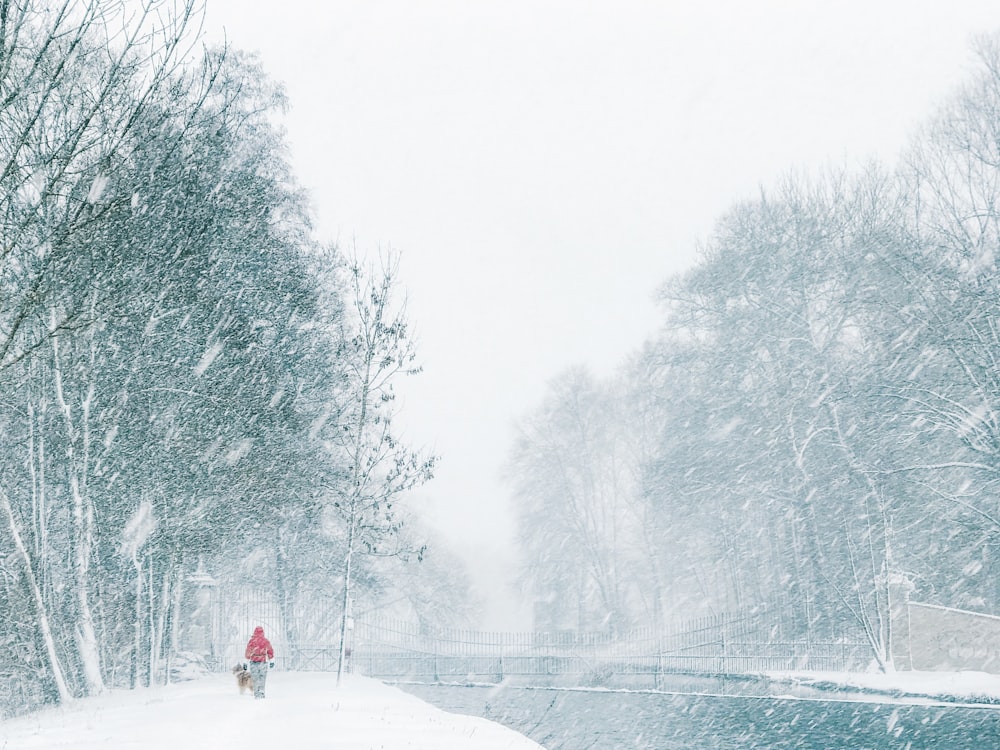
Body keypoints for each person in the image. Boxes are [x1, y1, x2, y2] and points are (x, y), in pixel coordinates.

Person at [244, 625, 274, 699]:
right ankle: (261, 691)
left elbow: (248, 651)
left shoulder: (252, 641)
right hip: (263, 662)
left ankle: (256, 692)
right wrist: (271, 660)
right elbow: (270, 651)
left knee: (255, 678)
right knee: (262, 677)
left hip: (253, 662)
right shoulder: (265, 641)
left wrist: (245, 662)